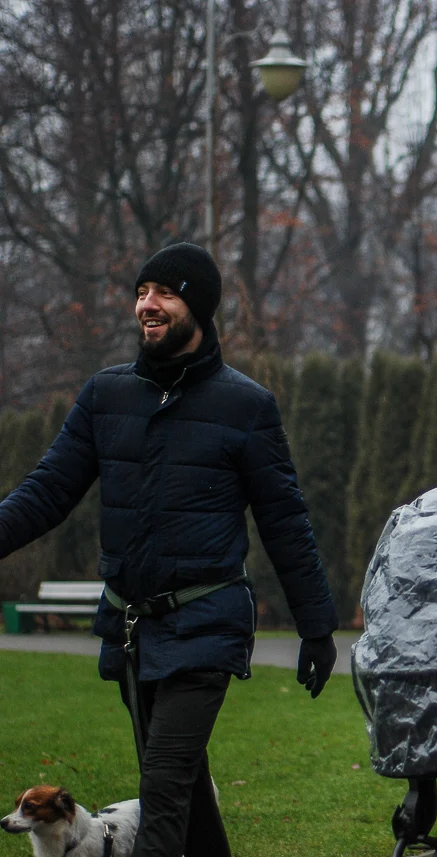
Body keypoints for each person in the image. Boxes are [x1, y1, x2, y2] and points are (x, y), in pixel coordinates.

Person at [0, 243, 340, 857]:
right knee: (185, 792)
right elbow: (47, 491)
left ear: (198, 307)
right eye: (141, 292)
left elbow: (284, 522)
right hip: (133, 630)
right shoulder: (105, 395)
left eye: (164, 293)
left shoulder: (246, 406)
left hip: (206, 625)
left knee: (161, 787)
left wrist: (316, 627)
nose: (147, 305)